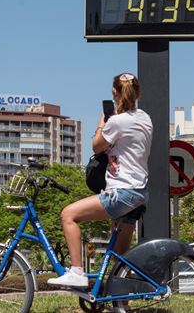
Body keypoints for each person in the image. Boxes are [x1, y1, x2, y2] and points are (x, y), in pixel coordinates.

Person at [48, 72, 153, 287]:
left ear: (114, 92)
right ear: (138, 93)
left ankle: (77, 271)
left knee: (68, 215)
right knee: (119, 254)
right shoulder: (145, 118)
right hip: (139, 192)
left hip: (121, 193)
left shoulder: (117, 122)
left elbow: (97, 145)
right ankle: (126, 299)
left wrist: (102, 122)